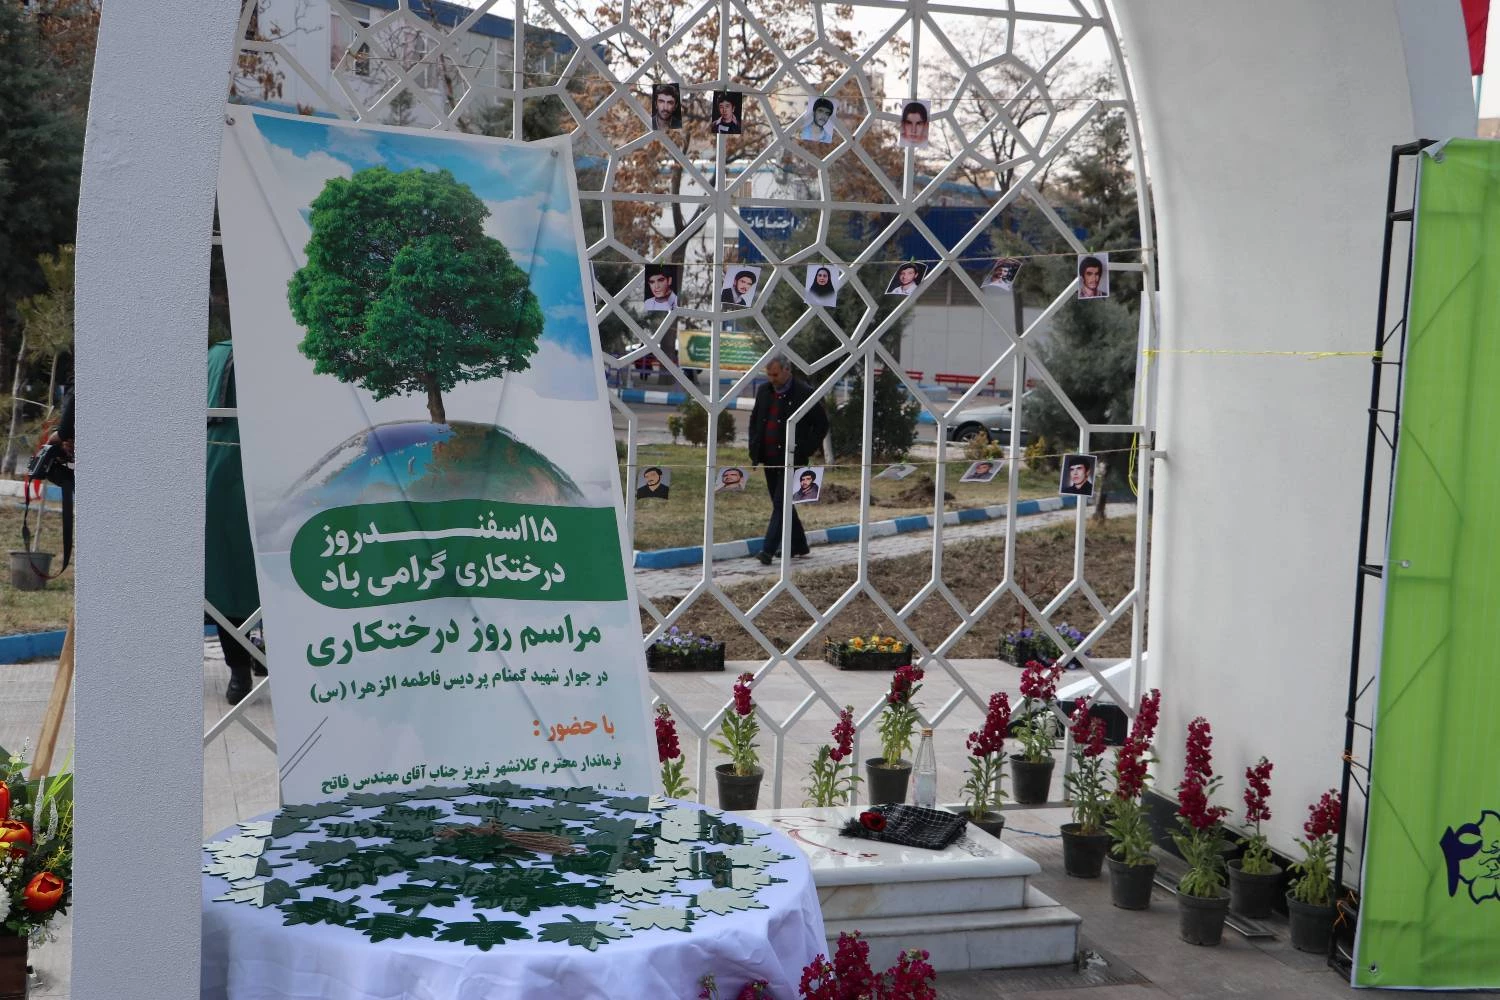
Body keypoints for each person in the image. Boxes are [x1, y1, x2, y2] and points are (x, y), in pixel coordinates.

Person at [205, 341, 266, 705]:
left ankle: (240, 672)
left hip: (215, 477)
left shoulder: (214, 355)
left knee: (224, 579)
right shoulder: (273, 350)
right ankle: (260, 656)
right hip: (264, 474)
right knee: (275, 571)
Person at [748, 354, 829, 564]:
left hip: (792, 459)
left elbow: (822, 425)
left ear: (787, 370)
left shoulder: (804, 393)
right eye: (769, 375)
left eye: (775, 374)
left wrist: (805, 449)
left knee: (781, 503)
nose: (772, 379)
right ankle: (798, 544)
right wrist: (754, 447)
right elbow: (755, 420)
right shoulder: (764, 391)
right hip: (769, 458)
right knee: (783, 505)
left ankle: (767, 550)